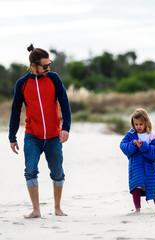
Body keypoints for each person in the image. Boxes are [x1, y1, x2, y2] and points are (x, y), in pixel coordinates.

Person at [9, 44, 71, 218]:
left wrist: (65, 128)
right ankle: (36, 210)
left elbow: (64, 103)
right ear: (33, 66)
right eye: (45, 66)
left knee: (57, 172)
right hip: (32, 136)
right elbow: (15, 111)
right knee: (30, 170)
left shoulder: (54, 78)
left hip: (53, 136)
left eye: (49, 64)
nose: (48, 68)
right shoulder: (21, 83)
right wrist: (12, 136)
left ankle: (57, 207)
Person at [120, 108, 155, 213]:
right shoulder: (131, 134)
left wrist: (144, 146)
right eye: (136, 124)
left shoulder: (151, 135)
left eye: (141, 124)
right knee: (136, 185)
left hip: (149, 166)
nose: (138, 127)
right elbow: (123, 146)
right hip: (136, 165)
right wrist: (133, 144)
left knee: (154, 186)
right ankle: (137, 209)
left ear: (146, 123)